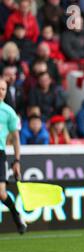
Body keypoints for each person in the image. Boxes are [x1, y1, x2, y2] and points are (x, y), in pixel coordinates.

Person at [0, 78, 26, 234]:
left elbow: (16, 138)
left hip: (0, 152)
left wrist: (17, 160)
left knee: (1, 192)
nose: (0, 92)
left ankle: (16, 215)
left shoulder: (8, 111)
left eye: (3, 89)